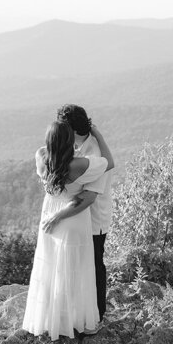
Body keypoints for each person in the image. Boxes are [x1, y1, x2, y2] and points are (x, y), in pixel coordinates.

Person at [22, 120, 115, 340]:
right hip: (73, 218)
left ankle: (53, 320)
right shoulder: (80, 164)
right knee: (78, 270)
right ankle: (81, 322)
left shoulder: (41, 156)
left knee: (53, 267)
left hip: (49, 217)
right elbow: (109, 163)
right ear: (69, 140)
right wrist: (97, 135)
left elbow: (47, 155)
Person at [57, 104, 113, 324]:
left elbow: (90, 196)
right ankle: (81, 309)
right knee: (81, 265)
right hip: (79, 217)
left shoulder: (94, 151)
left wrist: (59, 215)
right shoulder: (77, 145)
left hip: (93, 218)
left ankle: (97, 313)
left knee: (94, 263)